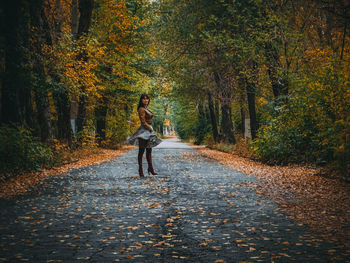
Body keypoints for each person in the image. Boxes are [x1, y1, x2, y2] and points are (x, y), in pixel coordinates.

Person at [126, 94, 162, 177]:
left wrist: (150, 129)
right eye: (144, 99)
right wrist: (149, 128)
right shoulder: (141, 109)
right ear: (141, 100)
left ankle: (150, 168)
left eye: (147, 99)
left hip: (149, 129)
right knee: (141, 150)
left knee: (149, 150)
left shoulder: (146, 109)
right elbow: (143, 121)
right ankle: (140, 170)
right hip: (144, 131)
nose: (146, 100)